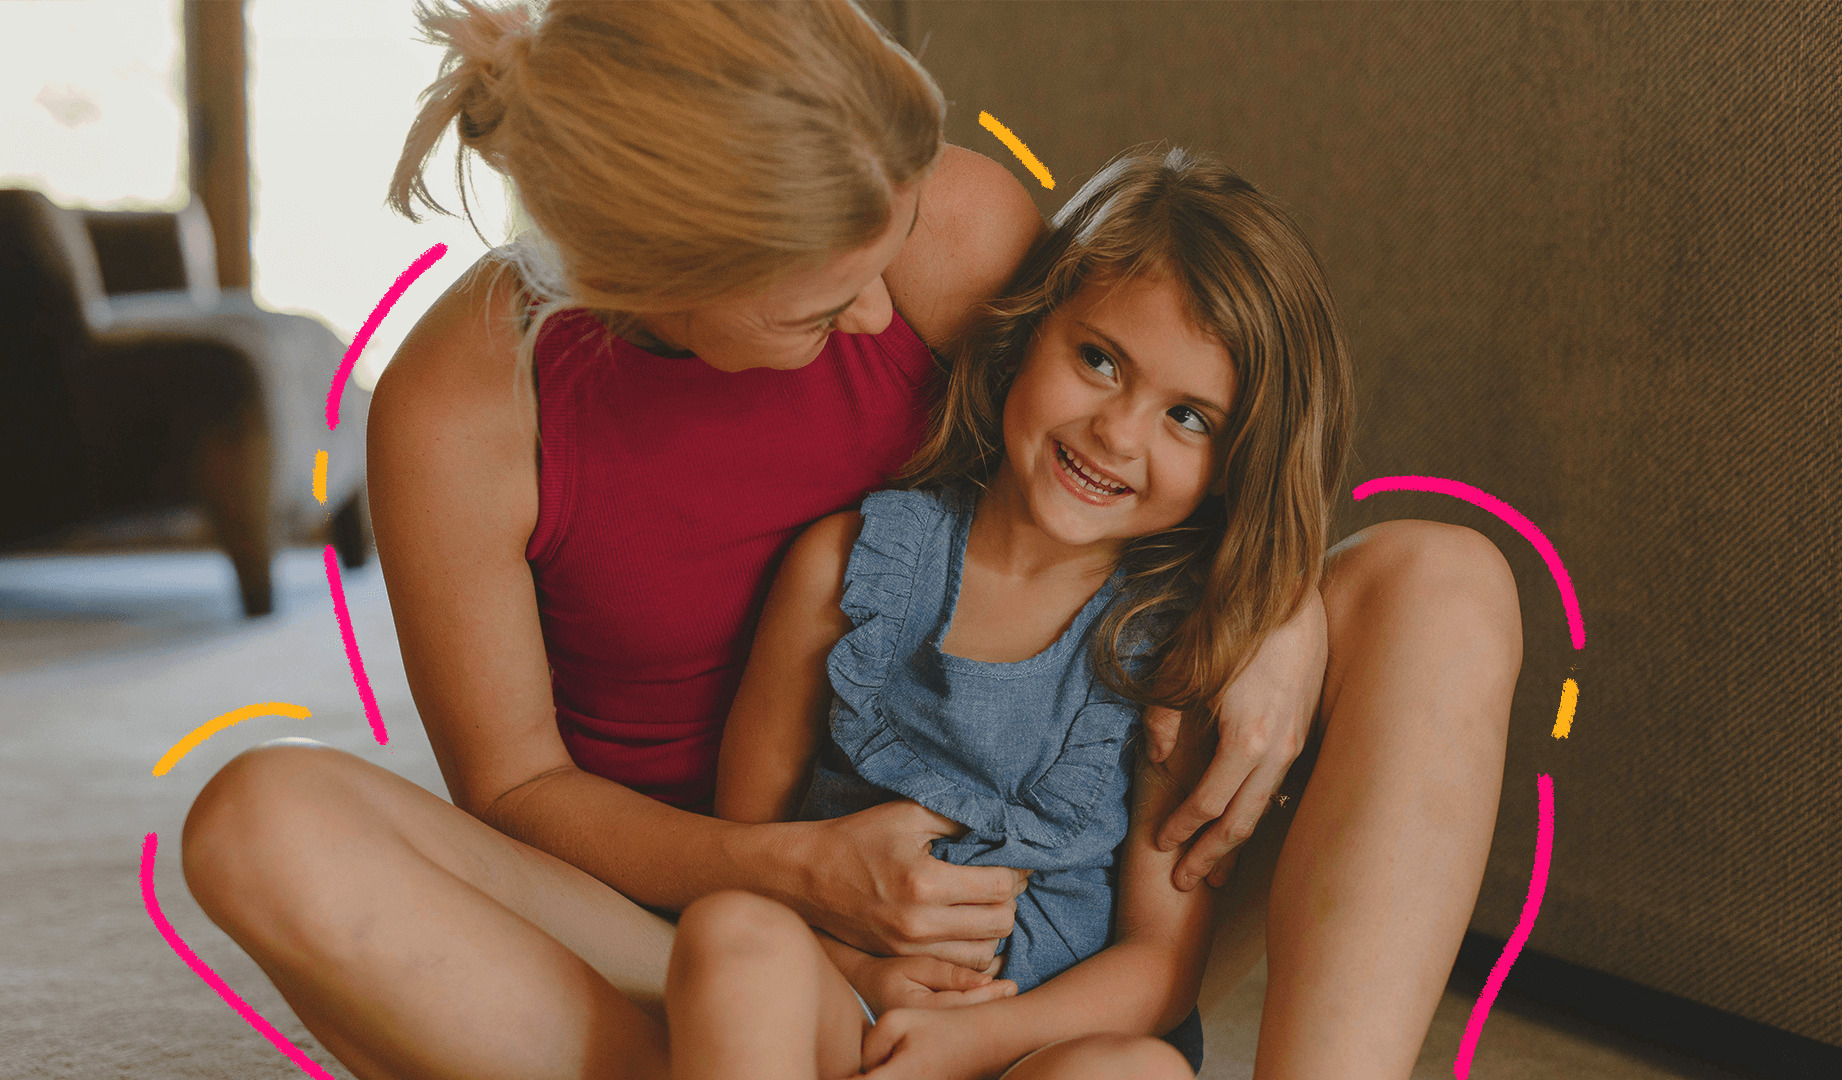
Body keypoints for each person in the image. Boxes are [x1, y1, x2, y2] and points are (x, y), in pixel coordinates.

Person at [180, 3, 1522, 1079]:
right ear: (659, 280)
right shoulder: (455, 411)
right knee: (260, 818)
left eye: (893, 250)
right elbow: (517, 798)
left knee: (1450, 579)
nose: (890, 317)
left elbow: (1166, 432)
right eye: (828, 303)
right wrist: (788, 877)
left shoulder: (946, 221)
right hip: (687, 926)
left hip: (1050, 927)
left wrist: (1269, 605)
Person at [672, 146, 1350, 1080]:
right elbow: (747, 856)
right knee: (730, 935)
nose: (1118, 432)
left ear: (1238, 466)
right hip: (851, 1015)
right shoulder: (843, 569)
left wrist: (973, 1039)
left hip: (1034, 1047)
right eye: (1101, 360)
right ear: (1028, 333)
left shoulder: (1179, 649)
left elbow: (1160, 967)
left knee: (1138, 1075)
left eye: (1188, 417)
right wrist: (861, 969)